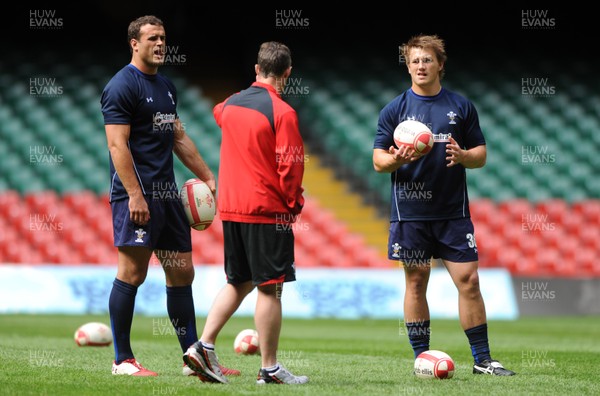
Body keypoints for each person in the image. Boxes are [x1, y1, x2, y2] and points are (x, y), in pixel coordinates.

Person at [100, 15, 239, 378]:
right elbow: (117, 144)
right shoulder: (121, 86)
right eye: (152, 38)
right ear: (134, 43)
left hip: (167, 195)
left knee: (182, 273)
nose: (161, 44)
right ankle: (122, 360)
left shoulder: (166, 87)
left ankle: (194, 359)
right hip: (137, 196)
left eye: (163, 38)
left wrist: (208, 177)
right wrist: (134, 194)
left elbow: (178, 137)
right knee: (132, 272)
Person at [372, 34, 516, 376]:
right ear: (407, 66)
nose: (420, 66)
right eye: (414, 61)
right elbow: (378, 161)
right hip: (410, 214)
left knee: (469, 280)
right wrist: (396, 161)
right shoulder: (394, 109)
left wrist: (464, 155)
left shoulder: (461, 107)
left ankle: (483, 360)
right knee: (417, 281)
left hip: (453, 213)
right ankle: (422, 356)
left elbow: (480, 155)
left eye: (427, 60)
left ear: (440, 65)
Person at [182, 41, 308, 385]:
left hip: (232, 208)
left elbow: (218, 111)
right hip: (267, 211)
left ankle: (203, 346)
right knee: (271, 289)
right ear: (288, 74)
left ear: (256, 70)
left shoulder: (231, 106)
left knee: (238, 281)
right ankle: (269, 369)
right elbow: (290, 168)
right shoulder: (283, 113)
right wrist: (294, 204)